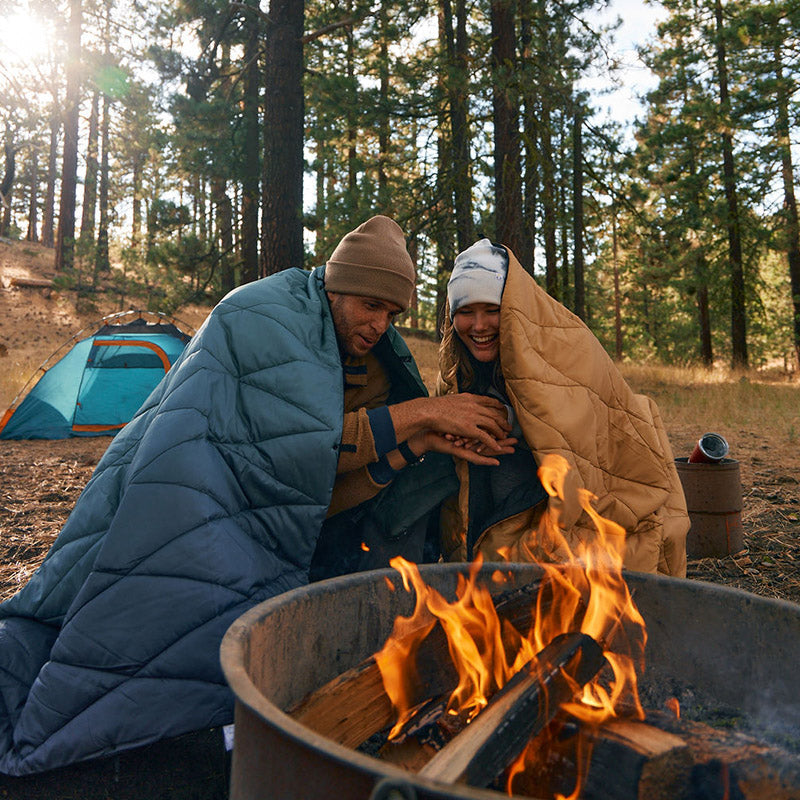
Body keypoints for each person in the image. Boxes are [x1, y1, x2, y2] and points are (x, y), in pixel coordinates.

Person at [0, 216, 512, 776]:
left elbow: (307, 490)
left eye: (392, 313)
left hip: (246, 520)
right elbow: (286, 448)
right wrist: (421, 414)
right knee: (146, 626)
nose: (379, 324)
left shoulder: (366, 357)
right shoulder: (265, 314)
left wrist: (413, 448)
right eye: (370, 305)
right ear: (338, 285)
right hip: (181, 498)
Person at [437, 238, 689, 577]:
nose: (479, 326)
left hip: (566, 496)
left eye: (492, 310)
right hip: (498, 505)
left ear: (513, 306)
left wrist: (512, 425)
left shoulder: (566, 347)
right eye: (465, 312)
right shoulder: (454, 371)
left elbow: (590, 449)